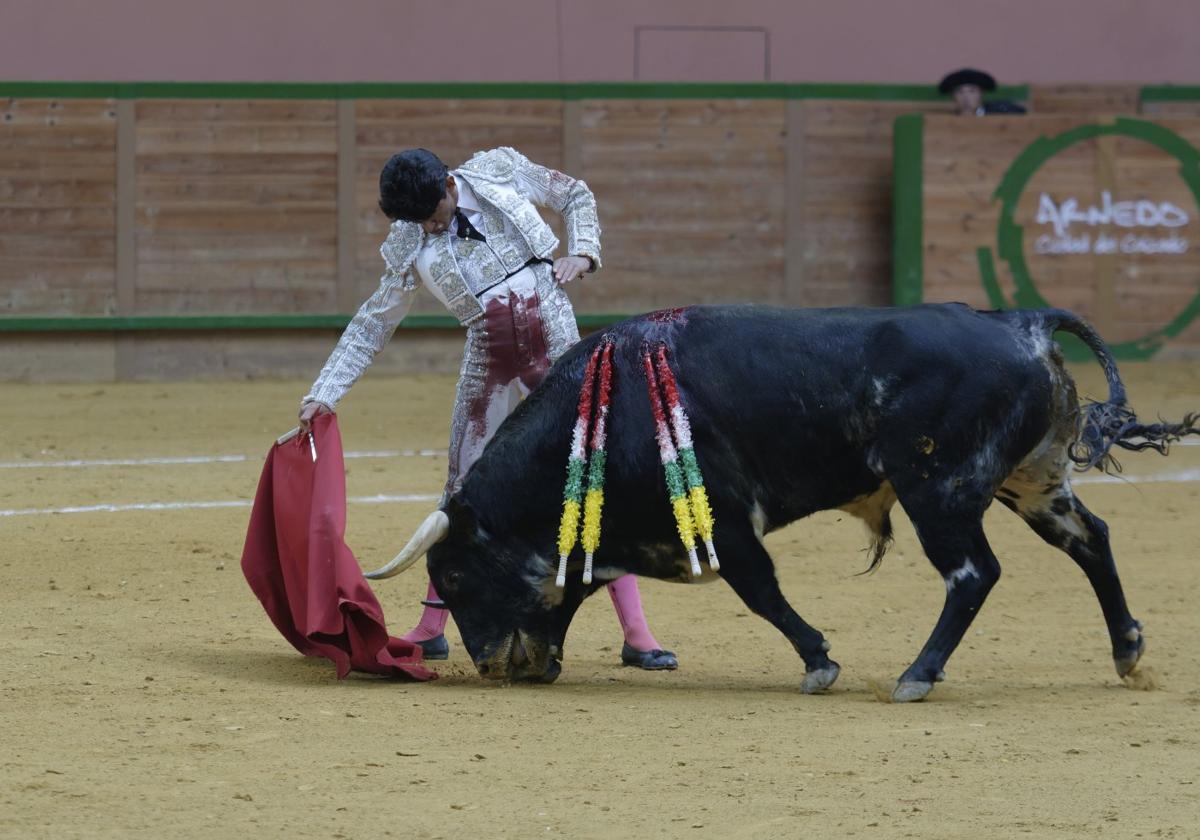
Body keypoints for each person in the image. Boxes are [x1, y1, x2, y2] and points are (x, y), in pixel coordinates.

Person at [297, 146, 677, 670]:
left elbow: (574, 194)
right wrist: (325, 391)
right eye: (419, 223)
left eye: (432, 217)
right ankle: (432, 627)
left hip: (557, 345)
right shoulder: (408, 237)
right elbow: (372, 323)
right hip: (489, 361)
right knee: (462, 491)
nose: (429, 230)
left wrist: (583, 253)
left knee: (589, 477)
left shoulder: (497, 170)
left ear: (450, 186)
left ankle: (638, 634)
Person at [938, 68, 1027, 116]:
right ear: (953, 96)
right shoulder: (949, 119)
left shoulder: (996, 113)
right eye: (960, 92)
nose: (966, 98)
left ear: (981, 93)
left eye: (972, 91)